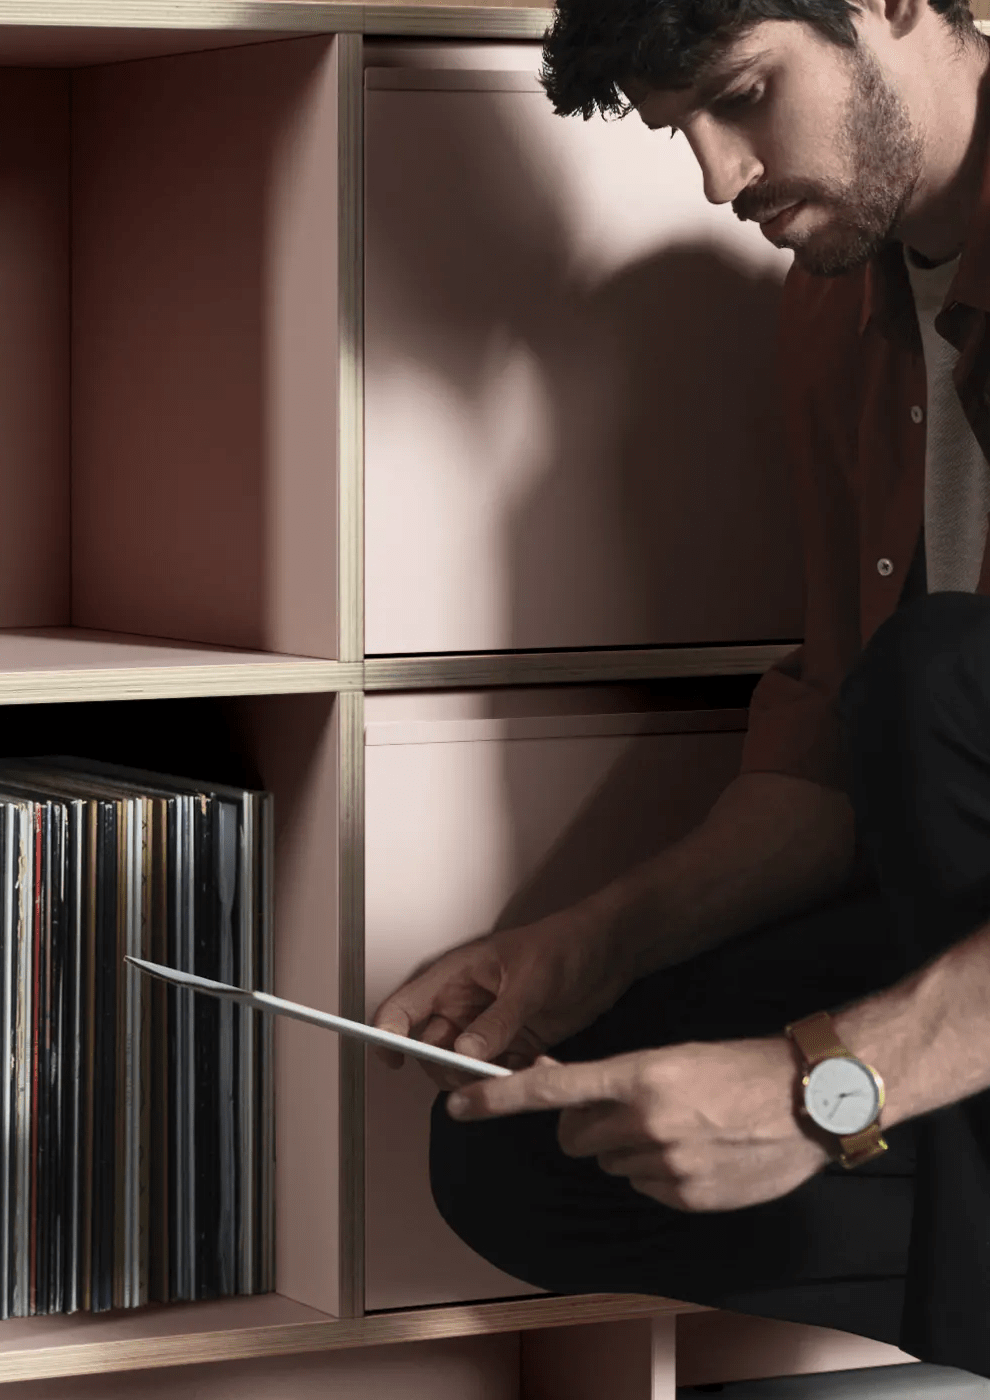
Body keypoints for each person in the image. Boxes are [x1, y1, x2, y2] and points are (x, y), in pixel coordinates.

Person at [370, 0, 990, 1376]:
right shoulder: (841, 307)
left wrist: (826, 1088)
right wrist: (598, 940)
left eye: (746, 95)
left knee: (941, 681)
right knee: (528, 1152)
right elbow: (825, 777)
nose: (717, 181)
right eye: (679, 134)